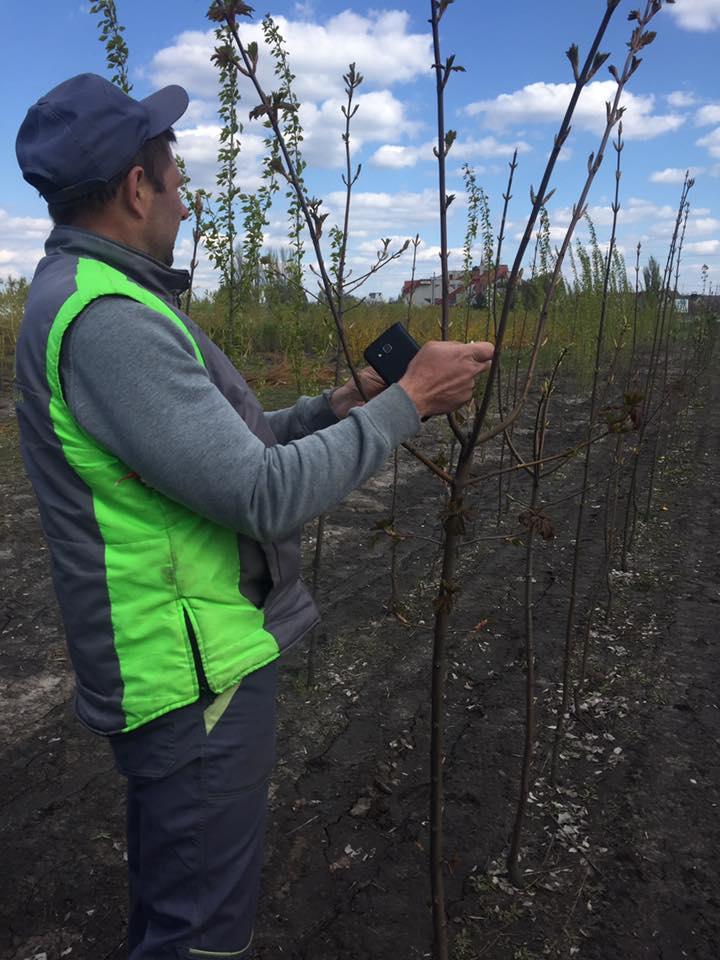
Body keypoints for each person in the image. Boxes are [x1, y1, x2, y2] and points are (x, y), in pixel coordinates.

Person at [14, 73, 494, 959]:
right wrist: (410, 403)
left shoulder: (96, 296)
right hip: (189, 677)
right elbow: (261, 492)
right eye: (177, 177)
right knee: (201, 938)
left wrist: (339, 404)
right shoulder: (110, 318)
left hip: (183, 665)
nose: (185, 196)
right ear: (135, 187)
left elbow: (214, 456)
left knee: (174, 912)